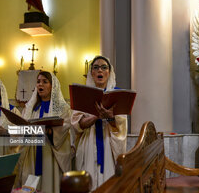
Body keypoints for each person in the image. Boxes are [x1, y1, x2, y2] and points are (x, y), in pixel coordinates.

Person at [71, 56, 127, 190]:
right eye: (95, 67)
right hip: (88, 143)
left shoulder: (117, 94)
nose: (99, 70)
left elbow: (120, 126)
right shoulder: (83, 94)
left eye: (104, 67)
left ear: (109, 72)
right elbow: (78, 124)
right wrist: (96, 116)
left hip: (109, 143)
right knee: (88, 180)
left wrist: (110, 117)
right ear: (91, 73)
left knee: (108, 180)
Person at [18, 71, 71, 193]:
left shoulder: (63, 108)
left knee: (49, 186)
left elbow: (64, 130)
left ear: (53, 86)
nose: (40, 84)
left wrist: (50, 131)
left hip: (50, 154)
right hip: (32, 154)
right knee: (30, 185)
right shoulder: (31, 108)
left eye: (44, 82)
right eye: (38, 82)